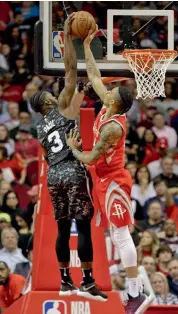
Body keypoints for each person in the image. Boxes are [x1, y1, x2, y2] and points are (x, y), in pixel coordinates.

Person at [66, 26, 153, 313]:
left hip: (114, 181)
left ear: (115, 100)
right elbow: (92, 75)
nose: (108, 88)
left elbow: (90, 158)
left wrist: (73, 148)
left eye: (112, 89)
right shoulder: (109, 105)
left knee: (121, 234)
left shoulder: (113, 127)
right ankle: (134, 291)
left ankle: (135, 292)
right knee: (115, 235)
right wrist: (88, 47)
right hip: (102, 179)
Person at [30, 15, 107, 302]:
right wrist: (67, 34)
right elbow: (71, 68)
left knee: (63, 228)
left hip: (53, 176)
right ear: (47, 102)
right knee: (83, 226)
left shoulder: (40, 127)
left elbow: (49, 153)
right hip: (73, 170)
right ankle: (87, 281)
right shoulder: (60, 105)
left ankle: (64, 281)